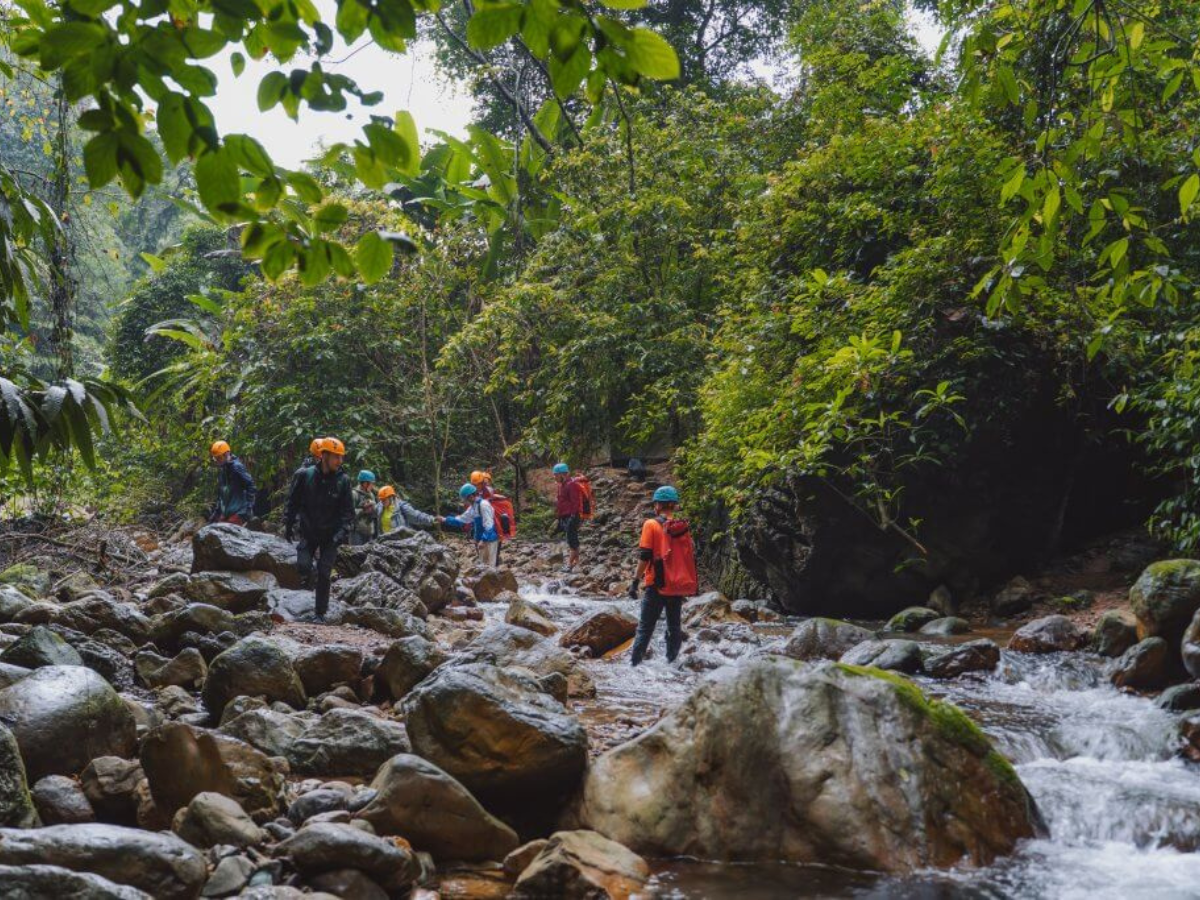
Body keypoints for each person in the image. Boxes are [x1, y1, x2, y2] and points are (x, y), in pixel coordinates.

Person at [283, 437, 354, 622]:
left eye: (341, 457)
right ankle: (307, 584)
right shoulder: (305, 476)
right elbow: (293, 502)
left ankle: (320, 614)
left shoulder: (343, 481)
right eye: (336, 457)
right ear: (324, 456)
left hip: (331, 536)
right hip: (309, 532)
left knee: (324, 572)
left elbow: (348, 513)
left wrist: (340, 534)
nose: (340, 461)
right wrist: (288, 525)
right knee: (304, 566)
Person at [628, 485, 699, 667]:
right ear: (674, 505)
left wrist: (635, 582)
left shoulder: (650, 524)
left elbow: (645, 556)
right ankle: (672, 665)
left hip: (656, 584)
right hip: (676, 584)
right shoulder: (681, 527)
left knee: (645, 628)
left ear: (658, 505)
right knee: (674, 626)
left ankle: (634, 666)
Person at [444, 483, 500, 567]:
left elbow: (489, 525)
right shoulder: (473, 507)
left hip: (490, 540)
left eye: (465, 499)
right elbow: (462, 519)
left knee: (490, 566)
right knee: (483, 566)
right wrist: (445, 519)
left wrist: (483, 540)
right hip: (481, 540)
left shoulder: (483, 505)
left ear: (470, 496)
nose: (464, 501)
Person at [470, 470, 516, 563]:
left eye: (487, 481)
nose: (486, 482)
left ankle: (493, 563)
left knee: (494, 543)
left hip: (492, 522)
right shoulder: (476, 494)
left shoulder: (488, 492)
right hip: (483, 523)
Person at [209, 440, 256, 525]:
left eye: (219, 458)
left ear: (227, 454)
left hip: (239, 511)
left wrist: (248, 508)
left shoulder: (236, 467)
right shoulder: (223, 470)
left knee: (227, 530)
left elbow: (251, 485)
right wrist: (216, 512)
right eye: (216, 458)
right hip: (227, 511)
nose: (217, 461)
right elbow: (221, 494)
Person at [553, 462, 582, 572]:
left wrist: (572, 517)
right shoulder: (562, 485)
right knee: (573, 540)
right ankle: (577, 563)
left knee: (571, 541)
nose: (554, 477)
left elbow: (576, 502)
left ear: (562, 474)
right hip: (565, 516)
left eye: (555, 475)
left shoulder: (571, 484)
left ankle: (569, 565)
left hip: (571, 516)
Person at [377, 485, 443, 532]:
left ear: (391, 497)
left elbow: (416, 516)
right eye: (381, 500)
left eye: (384, 500)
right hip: (385, 541)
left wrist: (432, 519)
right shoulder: (379, 506)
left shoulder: (401, 506)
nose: (382, 502)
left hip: (399, 540)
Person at [351, 469, 379, 546]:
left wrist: (373, 509)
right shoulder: (354, 494)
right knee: (357, 552)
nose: (372, 486)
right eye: (371, 483)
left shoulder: (371, 494)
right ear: (365, 483)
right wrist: (363, 510)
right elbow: (349, 513)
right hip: (357, 532)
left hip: (369, 531)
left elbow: (375, 513)